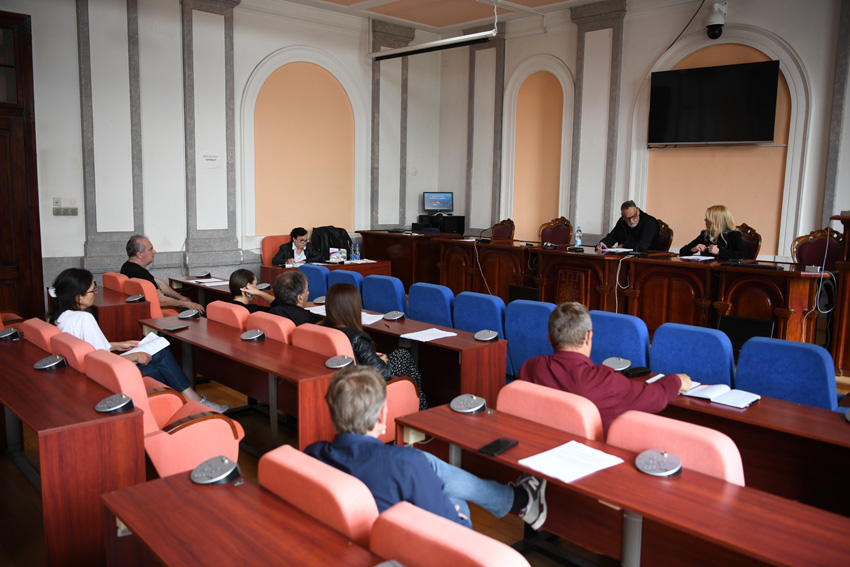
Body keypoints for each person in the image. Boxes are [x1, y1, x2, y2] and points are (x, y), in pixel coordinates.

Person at [305, 366, 547, 530]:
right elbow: (452, 532)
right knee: (455, 500)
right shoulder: (405, 463)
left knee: (427, 463)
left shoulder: (313, 454)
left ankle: (518, 500)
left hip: (354, 532)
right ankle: (519, 501)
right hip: (398, 548)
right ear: (382, 415)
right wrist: (457, 515)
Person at [48, 268, 229, 412]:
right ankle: (195, 404)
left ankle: (189, 405)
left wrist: (119, 345)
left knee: (162, 366)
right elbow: (100, 360)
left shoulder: (61, 318)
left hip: (86, 375)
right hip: (102, 377)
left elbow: (87, 348)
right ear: (78, 297)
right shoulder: (84, 318)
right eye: (92, 290)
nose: (95, 292)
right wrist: (135, 356)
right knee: (161, 359)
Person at [518, 302, 691, 433]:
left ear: (549, 339)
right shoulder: (604, 381)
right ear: (588, 337)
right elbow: (655, 397)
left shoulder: (530, 367)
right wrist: (676, 380)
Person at [322, 283, 426, 409]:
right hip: (363, 386)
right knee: (402, 355)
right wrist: (381, 361)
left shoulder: (321, 327)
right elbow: (382, 373)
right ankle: (420, 406)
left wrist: (372, 356)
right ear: (353, 308)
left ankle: (419, 403)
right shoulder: (357, 337)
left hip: (341, 380)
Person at [120, 234, 205, 314]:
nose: (154, 251)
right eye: (150, 249)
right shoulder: (141, 273)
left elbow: (158, 282)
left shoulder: (127, 267)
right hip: (155, 312)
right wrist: (188, 304)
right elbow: (161, 301)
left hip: (140, 309)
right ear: (139, 254)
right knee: (198, 312)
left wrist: (182, 298)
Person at [679, 205, 749, 259]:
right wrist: (692, 249)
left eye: (707, 218)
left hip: (725, 270)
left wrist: (719, 252)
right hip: (706, 269)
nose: (705, 220)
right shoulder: (705, 234)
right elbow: (682, 250)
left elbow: (744, 254)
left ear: (716, 220)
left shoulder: (734, 235)